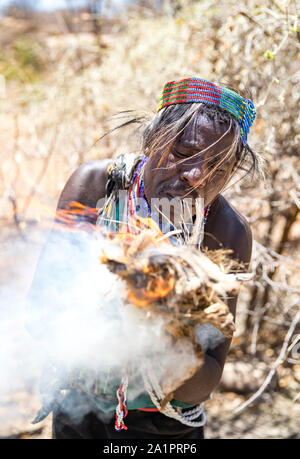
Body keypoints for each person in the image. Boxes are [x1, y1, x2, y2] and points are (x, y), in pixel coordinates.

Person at [27, 77, 261, 439]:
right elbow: (39, 311)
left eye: (218, 167)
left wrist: (168, 339)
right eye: (182, 154)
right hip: (80, 410)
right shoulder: (95, 187)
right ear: (152, 140)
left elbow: (205, 382)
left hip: (166, 428)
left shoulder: (226, 232)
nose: (197, 176)